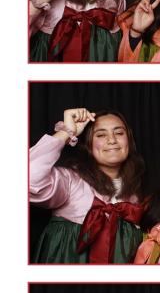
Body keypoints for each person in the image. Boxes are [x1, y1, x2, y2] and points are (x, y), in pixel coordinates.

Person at [29, 107, 144, 263]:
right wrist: (67, 132)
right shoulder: (70, 181)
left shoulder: (138, 193)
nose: (112, 140)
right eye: (101, 135)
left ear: (129, 141)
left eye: (119, 133)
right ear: (89, 145)